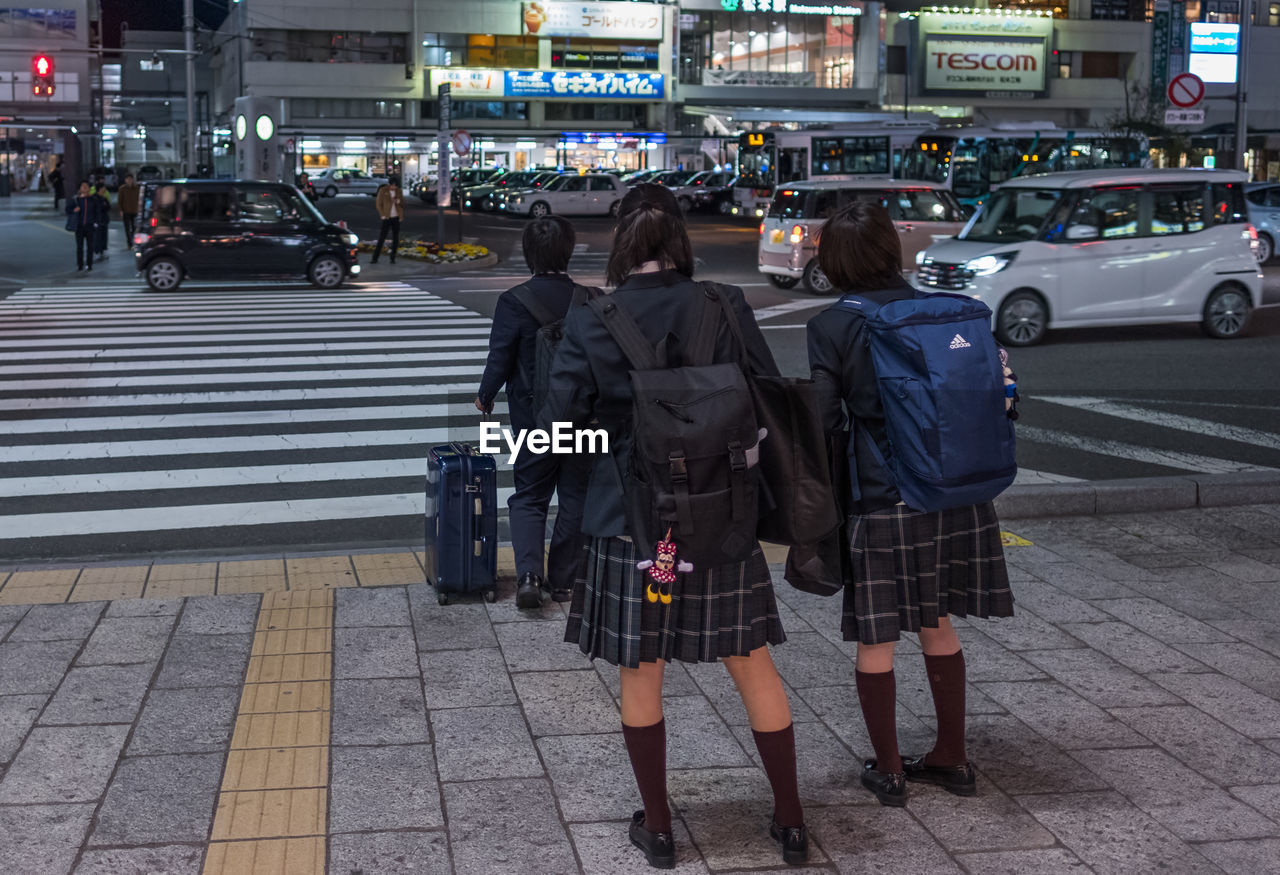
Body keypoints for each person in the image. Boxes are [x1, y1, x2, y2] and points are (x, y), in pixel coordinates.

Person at [543, 184, 808, 868]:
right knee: (753, 663)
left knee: (642, 669)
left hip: (628, 523)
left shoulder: (591, 317)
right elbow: (766, 395)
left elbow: (560, 430)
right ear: (680, 242)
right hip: (722, 514)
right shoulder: (724, 304)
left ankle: (658, 829)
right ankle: (789, 818)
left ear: (621, 247)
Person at [805, 201, 1015, 808]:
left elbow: (824, 419)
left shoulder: (835, 325)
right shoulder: (947, 309)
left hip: (885, 496)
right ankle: (952, 755)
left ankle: (891, 768)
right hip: (960, 489)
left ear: (835, 260)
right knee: (937, 620)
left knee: (878, 638)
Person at [475, 216, 592, 609]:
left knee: (529, 495)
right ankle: (563, 580)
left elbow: (500, 357)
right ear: (569, 251)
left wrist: (485, 396)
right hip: (580, 416)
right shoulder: (590, 299)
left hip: (533, 419)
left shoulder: (513, 301)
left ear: (528, 254)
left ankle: (529, 575)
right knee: (575, 494)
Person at [66, 180, 105, 271]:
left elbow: (97, 212)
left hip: (90, 226)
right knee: (79, 246)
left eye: (86, 186)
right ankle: (80, 265)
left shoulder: (93, 200)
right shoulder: (76, 199)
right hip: (79, 226)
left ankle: (89, 264)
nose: (84, 187)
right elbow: (68, 209)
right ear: (79, 189)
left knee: (90, 246)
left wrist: (96, 223)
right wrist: (73, 210)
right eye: (82, 186)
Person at [371, 175, 403, 263]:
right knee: (382, 237)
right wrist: (382, 215)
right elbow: (378, 204)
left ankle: (393, 258)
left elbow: (403, 203)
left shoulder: (398, 191)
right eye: (393, 185)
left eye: (396, 186)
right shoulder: (383, 190)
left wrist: (398, 201)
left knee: (395, 238)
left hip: (396, 217)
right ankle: (375, 258)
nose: (394, 187)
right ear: (389, 184)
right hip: (386, 217)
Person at [117, 173, 140, 249]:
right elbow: (120, 200)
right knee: (127, 228)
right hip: (126, 211)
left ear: (133, 180)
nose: (129, 181)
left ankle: (132, 239)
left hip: (135, 210)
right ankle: (129, 243)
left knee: (134, 227)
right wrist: (121, 210)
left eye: (130, 179)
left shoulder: (137, 188)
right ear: (125, 180)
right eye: (128, 179)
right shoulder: (122, 189)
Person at [92, 181, 111, 258]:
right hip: (97, 220)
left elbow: (108, 208)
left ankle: (102, 251)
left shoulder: (104, 198)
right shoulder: (94, 198)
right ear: (99, 189)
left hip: (104, 220)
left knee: (104, 237)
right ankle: (97, 252)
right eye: (103, 188)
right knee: (97, 237)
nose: (105, 189)